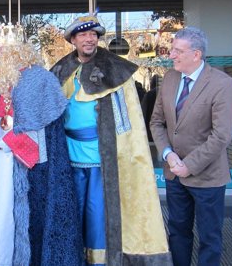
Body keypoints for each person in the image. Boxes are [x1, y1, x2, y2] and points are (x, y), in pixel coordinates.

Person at [0, 24, 83, 266]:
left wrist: (21, 142)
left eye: (12, 49)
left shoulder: (41, 78)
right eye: (3, 50)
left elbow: (49, 128)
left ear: (24, 50)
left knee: (29, 221)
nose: (7, 54)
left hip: (31, 167)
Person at [50, 15, 171, 266]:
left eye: (93, 34)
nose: (89, 39)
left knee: (97, 215)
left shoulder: (116, 69)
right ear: (73, 39)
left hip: (101, 159)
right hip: (68, 157)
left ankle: (99, 261)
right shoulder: (61, 69)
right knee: (72, 212)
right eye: (83, 35)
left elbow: (128, 122)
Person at [150, 27, 232, 266]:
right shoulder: (169, 78)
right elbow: (157, 122)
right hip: (174, 173)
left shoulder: (222, 83)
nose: (171, 55)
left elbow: (221, 135)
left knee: (210, 237)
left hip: (207, 176)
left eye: (177, 51)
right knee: (178, 233)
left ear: (196, 54)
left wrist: (189, 165)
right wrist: (168, 155)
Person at [141, 74, 161, 142]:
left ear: (151, 84)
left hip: (149, 131)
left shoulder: (149, 95)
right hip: (162, 132)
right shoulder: (166, 94)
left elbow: (143, 113)